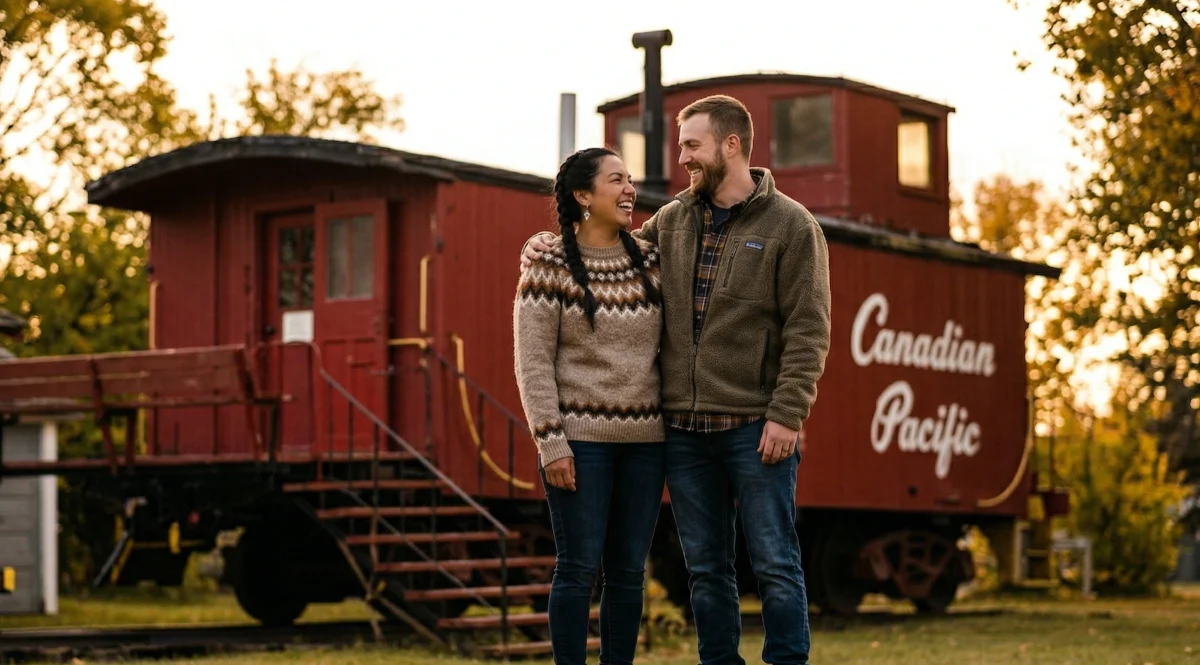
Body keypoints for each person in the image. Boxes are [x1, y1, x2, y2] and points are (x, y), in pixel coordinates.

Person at [520, 95, 831, 665]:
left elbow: (809, 329)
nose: (682, 157)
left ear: (730, 145)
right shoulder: (673, 221)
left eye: (692, 144)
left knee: (775, 563)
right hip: (683, 433)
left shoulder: (792, 225)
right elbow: (604, 252)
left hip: (754, 427)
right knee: (706, 569)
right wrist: (551, 242)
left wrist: (788, 414)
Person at [513, 146, 666, 665]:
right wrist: (550, 442)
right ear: (583, 195)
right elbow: (533, 364)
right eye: (617, 180)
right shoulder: (548, 265)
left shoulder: (652, 260)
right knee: (577, 567)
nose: (630, 190)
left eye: (630, 180)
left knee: (628, 571)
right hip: (579, 444)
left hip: (647, 445)